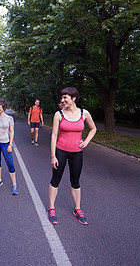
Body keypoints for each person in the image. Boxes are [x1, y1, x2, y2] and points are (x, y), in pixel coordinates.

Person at [47, 87, 97, 225]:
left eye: (65, 98)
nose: (62, 100)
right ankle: (51, 208)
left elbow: (93, 129)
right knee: (55, 179)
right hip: (60, 151)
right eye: (61, 98)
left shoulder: (84, 113)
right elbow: (53, 136)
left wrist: (86, 141)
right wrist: (53, 156)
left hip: (77, 153)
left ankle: (78, 209)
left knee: (75, 181)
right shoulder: (59, 114)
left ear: (74, 98)